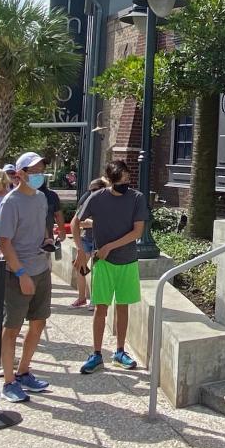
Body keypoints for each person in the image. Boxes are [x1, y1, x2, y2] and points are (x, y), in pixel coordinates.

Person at [72, 160, 149, 374]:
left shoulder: (137, 198)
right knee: (101, 308)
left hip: (127, 261)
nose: (125, 182)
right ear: (111, 180)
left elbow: (137, 232)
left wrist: (109, 246)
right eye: (121, 179)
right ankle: (96, 354)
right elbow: (75, 222)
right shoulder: (96, 198)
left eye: (127, 178)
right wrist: (80, 250)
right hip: (103, 263)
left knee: (123, 306)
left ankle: (119, 351)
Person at [0, 152, 53, 403]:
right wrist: (20, 273)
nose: (39, 173)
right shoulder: (11, 202)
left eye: (41, 168)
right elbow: (4, 242)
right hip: (18, 273)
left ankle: (24, 371)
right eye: (33, 169)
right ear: (20, 173)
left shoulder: (40, 198)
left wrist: (48, 239)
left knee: (38, 322)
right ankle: (8, 381)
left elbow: (41, 227)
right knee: (12, 328)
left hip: (41, 268)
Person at [71, 178, 109, 309]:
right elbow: (76, 222)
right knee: (80, 267)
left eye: (96, 189)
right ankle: (82, 298)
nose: (93, 192)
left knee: (97, 271)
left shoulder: (109, 203)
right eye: (91, 190)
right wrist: (90, 223)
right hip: (86, 238)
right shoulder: (86, 201)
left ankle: (94, 299)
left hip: (100, 241)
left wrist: (93, 223)